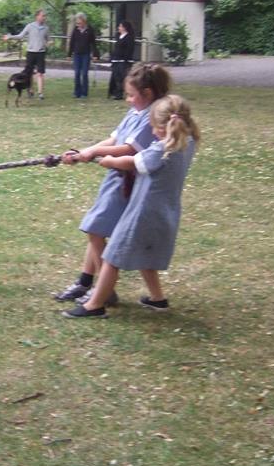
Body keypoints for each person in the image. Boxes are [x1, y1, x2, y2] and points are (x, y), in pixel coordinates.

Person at [63, 94, 200, 318]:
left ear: (166, 127)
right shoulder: (188, 142)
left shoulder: (162, 149)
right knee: (146, 256)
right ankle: (158, 299)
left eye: (155, 127)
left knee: (111, 257)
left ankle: (95, 305)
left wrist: (109, 161)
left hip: (143, 211)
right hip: (165, 210)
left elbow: (132, 162)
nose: (152, 132)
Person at [54, 64, 172, 305]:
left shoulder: (154, 116)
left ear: (148, 93)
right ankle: (85, 282)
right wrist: (84, 151)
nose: (128, 100)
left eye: (131, 94)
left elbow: (130, 149)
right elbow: (115, 138)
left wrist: (94, 152)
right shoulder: (137, 112)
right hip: (113, 178)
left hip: (125, 183)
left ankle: (104, 291)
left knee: (95, 228)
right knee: (96, 227)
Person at [2, 9, 49, 99]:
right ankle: (30, 90)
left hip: (41, 53)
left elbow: (48, 39)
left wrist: (50, 42)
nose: (44, 17)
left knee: (40, 73)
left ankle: (40, 93)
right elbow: (20, 36)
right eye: (43, 16)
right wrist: (10, 37)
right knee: (29, 73)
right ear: (37, 16)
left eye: (45, 16)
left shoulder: (46, 28)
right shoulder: (30, 26)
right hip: (31, 53)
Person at [67, 12, 98, 98]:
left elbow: (93, 43)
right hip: (77, 54)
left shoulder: (90, 30)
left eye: (79, 23)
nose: (78, 25)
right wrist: (69, 54)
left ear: (84, 21)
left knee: (84, 73)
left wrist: (95, 54)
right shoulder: (76, 30)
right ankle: (77, 92)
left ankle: (84, 93)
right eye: (77, 23)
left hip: (86, 54)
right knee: (77, 73)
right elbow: (72, 42)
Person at [108, 20, 136, 100]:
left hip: (124, 61)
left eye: (120, 26)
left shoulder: (129, 37)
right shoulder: (118, 36)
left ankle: (127, 92)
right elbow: (116, 48)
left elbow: (129, 49)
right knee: (117, 78)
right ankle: (118, 93)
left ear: (124, 28)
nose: (119, 28)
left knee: (123, 77)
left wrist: (126, 59)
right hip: (116, 60)